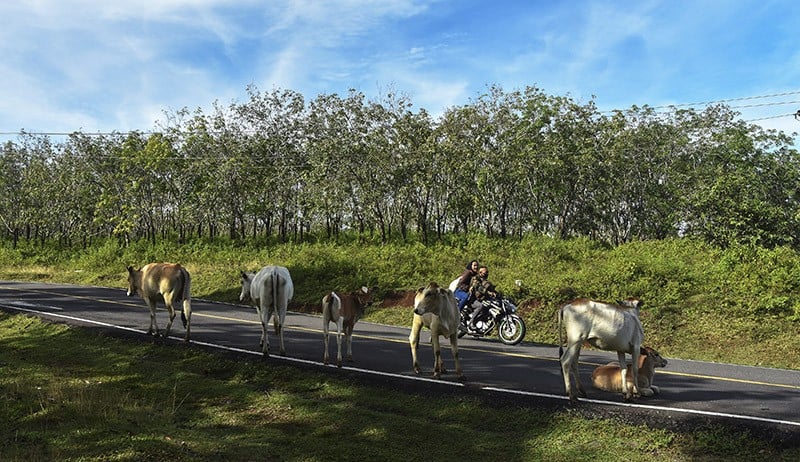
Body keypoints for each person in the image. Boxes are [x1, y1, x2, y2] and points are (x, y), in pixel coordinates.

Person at [468, 265, 498, 330]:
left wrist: (497, 294)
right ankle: (471, 322)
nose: (486, 274)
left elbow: (491, 289)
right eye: (485, 272)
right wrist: (489, 293)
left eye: (487, 272)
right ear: (480, 272)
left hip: (480, 299)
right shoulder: (475, 278)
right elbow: (479, 288)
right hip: (472, 299)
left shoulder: (486, 281)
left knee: (489, 308)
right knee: (480, 306)